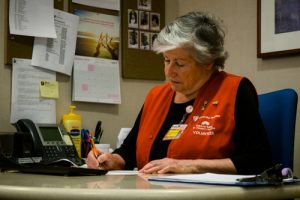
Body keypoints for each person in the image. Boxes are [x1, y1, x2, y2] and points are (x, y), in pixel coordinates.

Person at [86, 11, 272, 175]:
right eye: (167, 60)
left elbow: (258, 161)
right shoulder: (156, 96)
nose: (169, 72)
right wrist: (113, 160)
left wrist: (191, 166)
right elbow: (129, 151)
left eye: (180, 64)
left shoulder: (234, 90)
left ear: (208, 62)